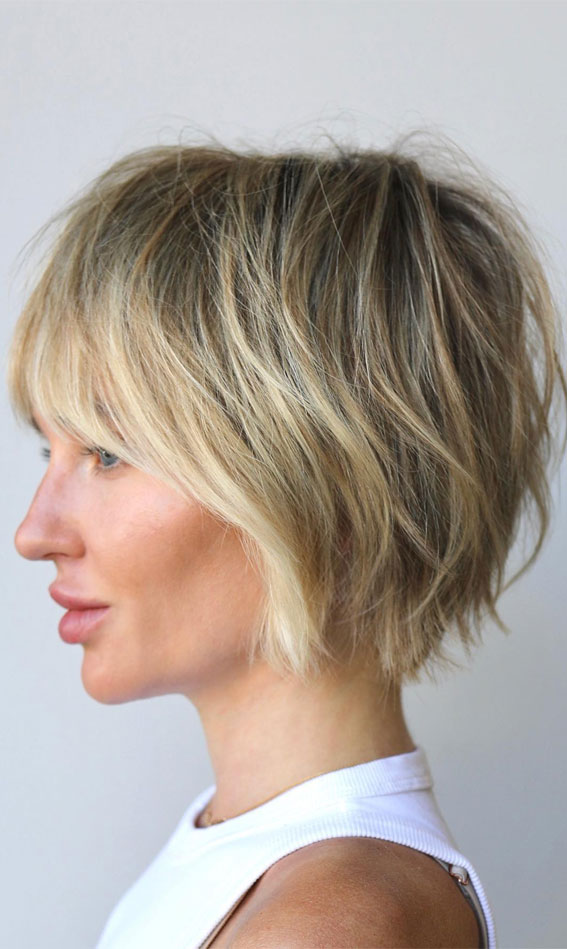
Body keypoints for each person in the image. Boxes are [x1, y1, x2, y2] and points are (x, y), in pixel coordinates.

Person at [8, 131, 567, 949]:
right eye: (47, 449)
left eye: (107, 451)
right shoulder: (259, 864)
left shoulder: (330, 922)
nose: (34, 532)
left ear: (324, 484)